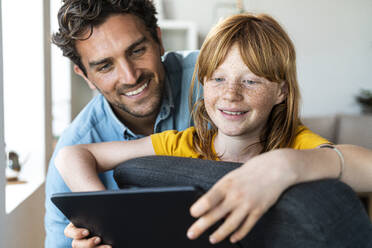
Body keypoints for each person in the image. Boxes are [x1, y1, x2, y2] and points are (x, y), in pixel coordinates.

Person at [55, 12, 372, 247]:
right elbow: (72, 155)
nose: (232, 94)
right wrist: (105, 221)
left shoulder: (295, 145)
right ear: (202, 83)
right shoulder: (182, 143)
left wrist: (288, 165)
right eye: (219, 79)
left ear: (282, 91)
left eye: (251, 81)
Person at [45, 0, 200, 247]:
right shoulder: (74, 149)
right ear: (86, 76)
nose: (130, 76)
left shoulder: (216, 80)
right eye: (105, 66)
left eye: (137, 51)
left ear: (159, 40)